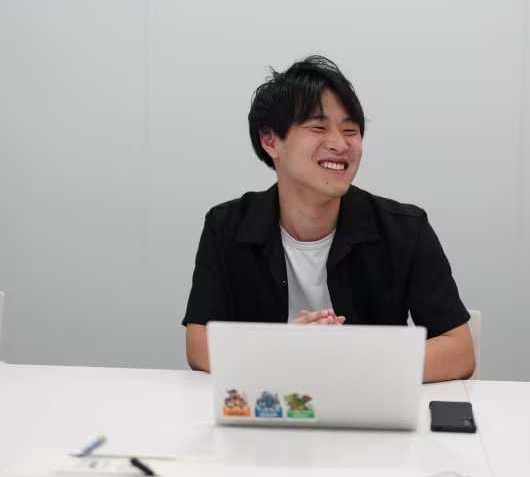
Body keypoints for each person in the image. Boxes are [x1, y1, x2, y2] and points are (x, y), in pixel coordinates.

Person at [182, 56, 475, 382]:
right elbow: (199, 344)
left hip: (368, 404)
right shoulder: (226, 226)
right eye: (318, 127)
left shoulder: (405, 229)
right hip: (268, 404)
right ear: (270, 140)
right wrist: (288, 350)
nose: (339, 144)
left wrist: (343, 359)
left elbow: (459, 351)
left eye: (351, 131)